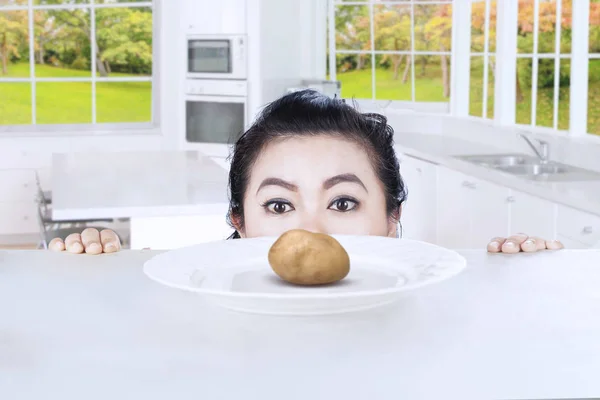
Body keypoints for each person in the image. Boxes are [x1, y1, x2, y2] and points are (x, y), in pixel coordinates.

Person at [48, 89, 564, 255]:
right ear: (239, 221)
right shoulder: (199, 313)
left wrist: (531, 286)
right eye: (278, 205)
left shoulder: (440, 314)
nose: (309, 231)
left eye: (343, 203)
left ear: (391, 218)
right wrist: (92, 278)